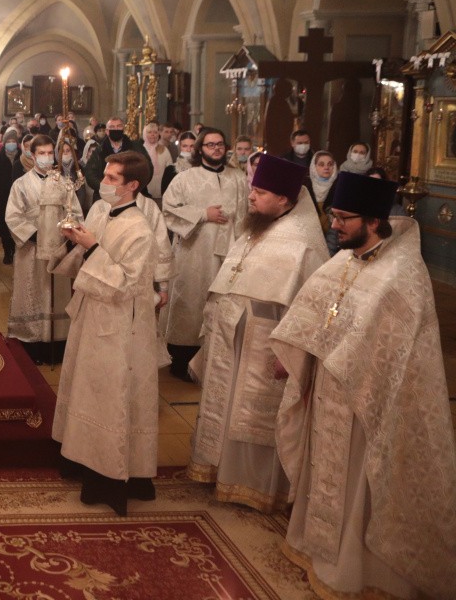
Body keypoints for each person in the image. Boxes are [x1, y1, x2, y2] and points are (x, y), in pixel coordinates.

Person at [270, 172, 456, 600]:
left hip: (367, 400)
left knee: (357, 482)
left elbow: (395, 355)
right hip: (328, 392)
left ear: (373, 221)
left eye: (344, 218)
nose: (334, 225)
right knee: (325, 474)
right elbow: (312, 319)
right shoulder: (343, 260)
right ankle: (314, 548)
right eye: (333, 215)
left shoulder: (402, 275)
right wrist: (298, 360)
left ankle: (355, 570)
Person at [186, 156, 328, 513]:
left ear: (284, 199)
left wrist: (292, 351)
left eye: (260, 192)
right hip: (230, 339)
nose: (251, 196)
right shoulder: (255, 228)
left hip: (266, 345)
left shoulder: (303, 243)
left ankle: (255, 485)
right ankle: (218, 470)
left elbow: (311, 307)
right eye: (252, 189)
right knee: (225, 406)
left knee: (251, 416)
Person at [51, 151, 162, 517]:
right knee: (87, 389)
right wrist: (73, 241)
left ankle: (109, 476)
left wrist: (92, 248)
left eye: (113, 179)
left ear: (133, 185)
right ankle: (80, 458)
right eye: (106, 176)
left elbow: (124, 284)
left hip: (120, 327)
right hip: (91, 316)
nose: (105, 183)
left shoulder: (140, 230)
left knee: (110, 397)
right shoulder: (101, 212)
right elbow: (85, 259)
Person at [160, 127, 248, 381]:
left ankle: (219, 363)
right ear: (200, 149)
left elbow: (246, 213)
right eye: (210, 145)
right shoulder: (185, 178)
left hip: (230, 252)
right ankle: (183, 362)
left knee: (223, 303)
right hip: (195, 252)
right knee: (191, 303)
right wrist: (202, 214)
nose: (216, 148)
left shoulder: (238, 178)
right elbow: (168, 209)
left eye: (220, 144)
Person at [6, 134, 83, 365]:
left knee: (57, 294)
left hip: (58, 249)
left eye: (50, 153)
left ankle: (57, 344)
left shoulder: (64, 183)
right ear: (32, 155)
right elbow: (13, 216)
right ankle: (31, 344)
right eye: (42, 153)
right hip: (31, 250)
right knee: (33, 292)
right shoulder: (21, 184)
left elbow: (75, 212)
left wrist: (69, 233)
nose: (47, 157)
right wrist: (36, 236)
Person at [82, 117, 151, 200]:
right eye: (112, 127)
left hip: (132, 194)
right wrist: (105, 187)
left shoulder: (136, 147)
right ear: (107, 131)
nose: (116, 129)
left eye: (119, 126)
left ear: (123, 129)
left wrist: (131, 187)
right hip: (105, 196)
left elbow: (147, 168)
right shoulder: (99, 150)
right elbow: (90, 173)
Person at [0, 128, 22, 265]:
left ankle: (15, 250)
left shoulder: (22, 157)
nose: (11, 143)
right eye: (8, 141)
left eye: (13, 141)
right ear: (4, 143)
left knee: (17, 224)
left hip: (19, 197)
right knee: (4, 226)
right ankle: (7, 251)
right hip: (3, 196)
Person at [140, 122, 173, 203]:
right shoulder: (140, 150)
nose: (153, 135)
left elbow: (170, 169)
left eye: (155, 132)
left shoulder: (164, 149)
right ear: (144, 134)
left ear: (158, 134)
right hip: (144, 188)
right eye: (149, 132)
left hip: (161, 187)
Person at [161, 131, 196, 195]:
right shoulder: (170, 170)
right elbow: (165, 194)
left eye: (192, 146)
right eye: (185, 146)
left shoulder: (202, 168)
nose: (188, 150)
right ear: (180, 147)